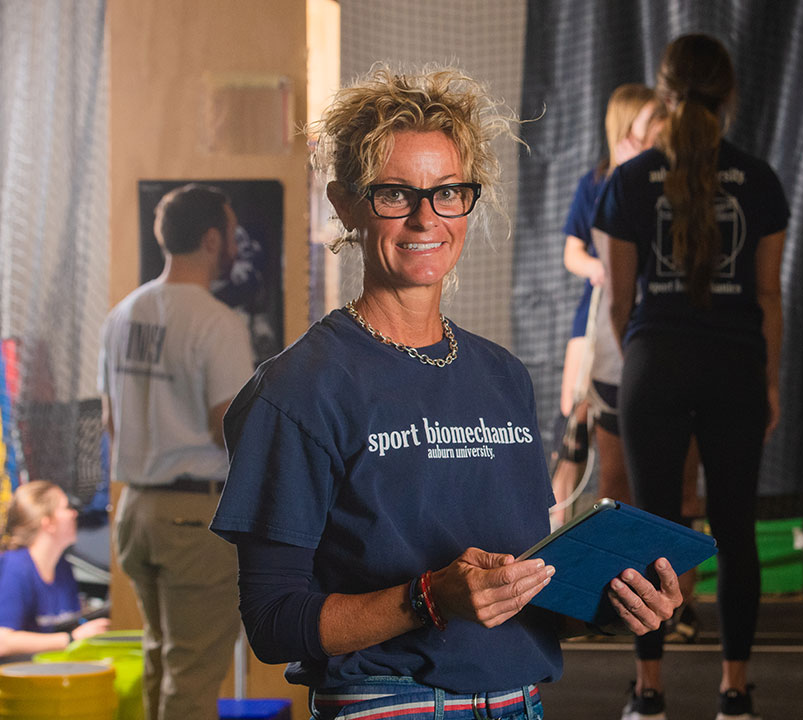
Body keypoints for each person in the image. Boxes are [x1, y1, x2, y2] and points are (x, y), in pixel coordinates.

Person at [209, 64, 681, 720]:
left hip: (522, 702)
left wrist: (611, 607)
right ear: (345, 201)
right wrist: (427, 598)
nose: (426, 217)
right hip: (389, 705)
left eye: (449, 192)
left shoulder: (503, 376)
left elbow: (515, 599)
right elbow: (272, 621)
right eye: (395, 194)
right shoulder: (296, 390)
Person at [595, 34, 789, 720]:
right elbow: (768, 295)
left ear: (664, 93)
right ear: (729, 95)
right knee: (735, 532)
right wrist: (767, 382)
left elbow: (619, 302)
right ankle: (734, 691)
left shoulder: (627, 180)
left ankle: (649, 692)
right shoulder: (759, 180)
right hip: (736, 364)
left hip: (657, 365)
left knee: (654, 529)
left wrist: (649, 357)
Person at [99, 183, 256, 720]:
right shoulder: (217, 322)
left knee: (161, 664)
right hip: (193, 519)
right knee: (190, 682)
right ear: (212, 239)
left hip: (136, 511)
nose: (235, 243)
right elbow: (226, 427)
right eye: (232, 233)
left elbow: (110, 421)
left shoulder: (122, 316)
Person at [550, 83, 662, 524]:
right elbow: (572, 251)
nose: (661, 126)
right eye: (652, 118)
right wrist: (600, 269)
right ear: (629, 122)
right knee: (577, 410)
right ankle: (557, 517)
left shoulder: (656, 178)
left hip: (640, 319)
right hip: (596, 315)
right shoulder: (597, 181)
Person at [0, 480, 111, 660]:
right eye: (66, 507)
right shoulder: (15, 568)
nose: (74, 513)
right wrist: (70, 639)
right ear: (48, 523)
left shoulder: (62, 567)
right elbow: (2, 641)